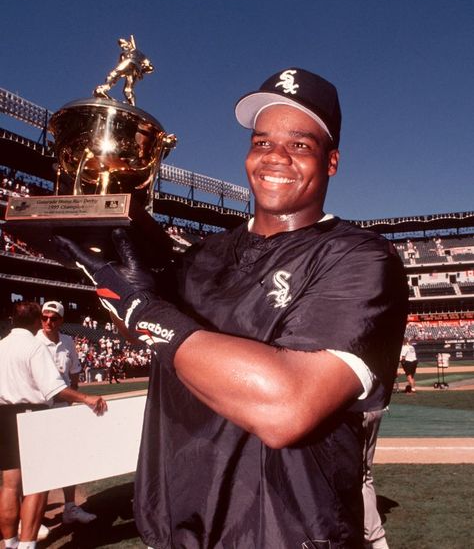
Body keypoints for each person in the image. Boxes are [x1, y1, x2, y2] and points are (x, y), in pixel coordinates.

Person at [56, 68, 409, 548]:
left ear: (332, 162)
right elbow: (167, 347)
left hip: (287, 533)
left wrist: (144, 312)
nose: (276, 157)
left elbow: (288, 408)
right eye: (262, 142)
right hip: (180, 531)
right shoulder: (200, 258)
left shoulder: (359, 258)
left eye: (300, 145)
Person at [0, 302, 107, 549]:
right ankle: (26, 545)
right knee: (39, 484)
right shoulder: (35, 346)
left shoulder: (2, 345)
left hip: (4, 415)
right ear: (37, 321)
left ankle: (10, 542)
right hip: (32, 414)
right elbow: (55, 388)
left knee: (9, 484)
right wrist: (86, 398)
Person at [36, 301, 97, 525]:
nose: (48, 322)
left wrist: (71, 401)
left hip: (63, 408)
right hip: (39, 409)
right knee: (39, 463)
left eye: (53, 318)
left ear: (61, 320)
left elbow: (74, 374)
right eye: (44, 317)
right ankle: (35, 516)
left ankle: (70, 507)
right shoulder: (35, 343)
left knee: (68, 459)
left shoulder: (68, 341)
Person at [362, 410, 389, 548]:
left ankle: (376, 540)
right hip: (374, 406)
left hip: (356, 410)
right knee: (365, 476)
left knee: (358, 479)